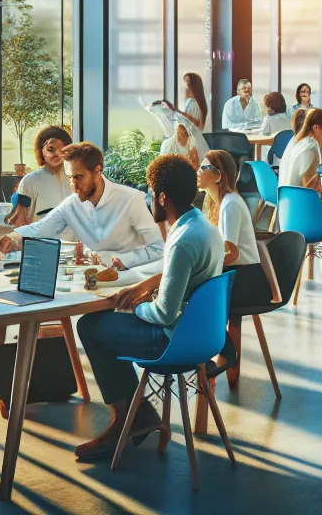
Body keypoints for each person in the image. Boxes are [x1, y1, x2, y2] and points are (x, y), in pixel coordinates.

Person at [71, 154, 226, 460]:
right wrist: (149, 285)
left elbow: (164, 314)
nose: (149, 199)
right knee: (102, 322)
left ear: (162, 197)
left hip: (172, 341)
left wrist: (135, 307)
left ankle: (128, 418)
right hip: (205, 339)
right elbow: (184, 274)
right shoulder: (205, 229)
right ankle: (136, 414)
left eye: (151, 193)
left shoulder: (180, 240)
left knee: (89, 326)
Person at [0, 142, 164, 277]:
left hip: (131, 281)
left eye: (78, 177)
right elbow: (42, 228)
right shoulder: (72, 203)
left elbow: (159, 248)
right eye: (70, 177)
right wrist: (13, 237)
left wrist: (119, 259)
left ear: (98, 171)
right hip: (94, 280)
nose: (73, 184)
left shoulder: (131, 200)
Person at [200, 149, 271, 311]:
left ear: (217, 175)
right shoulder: (220, 204)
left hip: (244, 278)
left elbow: (232, 254)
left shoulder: (230, 204)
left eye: (203, 168)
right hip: (236, 272)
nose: (198, 172)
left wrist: (204, 268)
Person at [281, 107, 322, 228]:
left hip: (288, 208)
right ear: (316, 128)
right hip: (301, 212)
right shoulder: (311, 148)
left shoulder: (300, 143)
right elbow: (308, 188)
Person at [10, 125, 74, 227]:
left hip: (74, 242)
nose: (56, 154)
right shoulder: (30, 181)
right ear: (41, 151)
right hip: (41, 241)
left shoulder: (74, 179)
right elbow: (19, 221)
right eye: (50, 149)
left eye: (61, 149)